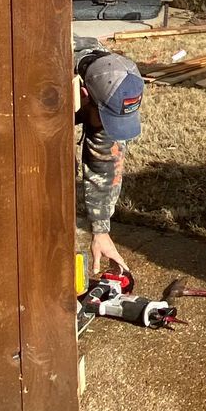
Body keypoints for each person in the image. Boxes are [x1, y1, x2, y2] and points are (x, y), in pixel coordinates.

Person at [74, 45, 145, 274]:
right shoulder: (43, 77)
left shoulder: (108, 87)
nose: (108, 128)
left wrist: (100, 230)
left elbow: (104, 161)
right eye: (106, 120)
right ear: (84, 95)